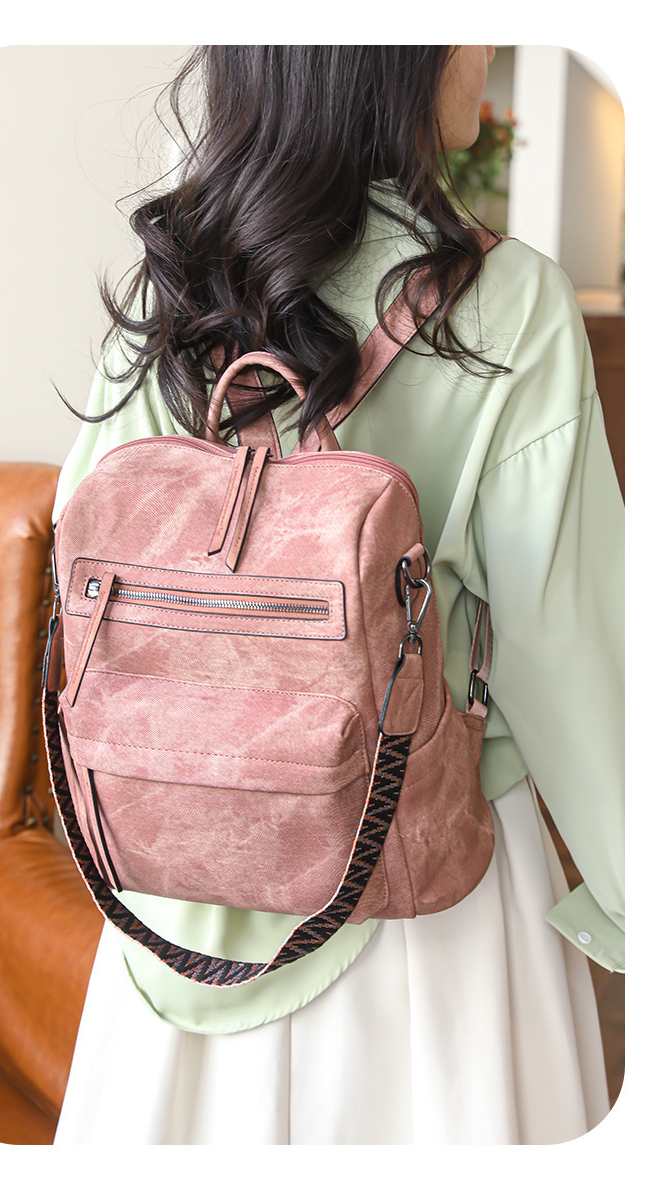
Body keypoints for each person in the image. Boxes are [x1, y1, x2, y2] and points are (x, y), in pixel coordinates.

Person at [51, 46, 624, 1145]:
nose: (487, 43)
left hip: (182, 895)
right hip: (426, 915)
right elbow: (578, 660)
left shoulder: (174, 276)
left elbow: (87, 569)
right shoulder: (510, 302)